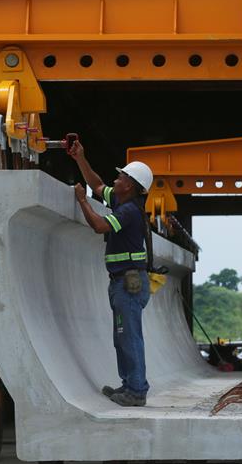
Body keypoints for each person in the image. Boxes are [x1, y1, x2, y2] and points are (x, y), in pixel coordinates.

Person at [69, 140, 154, 407]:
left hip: (128, 285)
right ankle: (129, 385)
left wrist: (82, 202)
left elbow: (99, 226)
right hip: (123, 282)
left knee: (129, 337)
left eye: (121, 176)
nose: (115, 179)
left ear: (130, 185)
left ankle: (136, 391)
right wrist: (80, 158)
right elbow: (96, 185)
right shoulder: (122, 200)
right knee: (123, 337)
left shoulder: (128, 211)